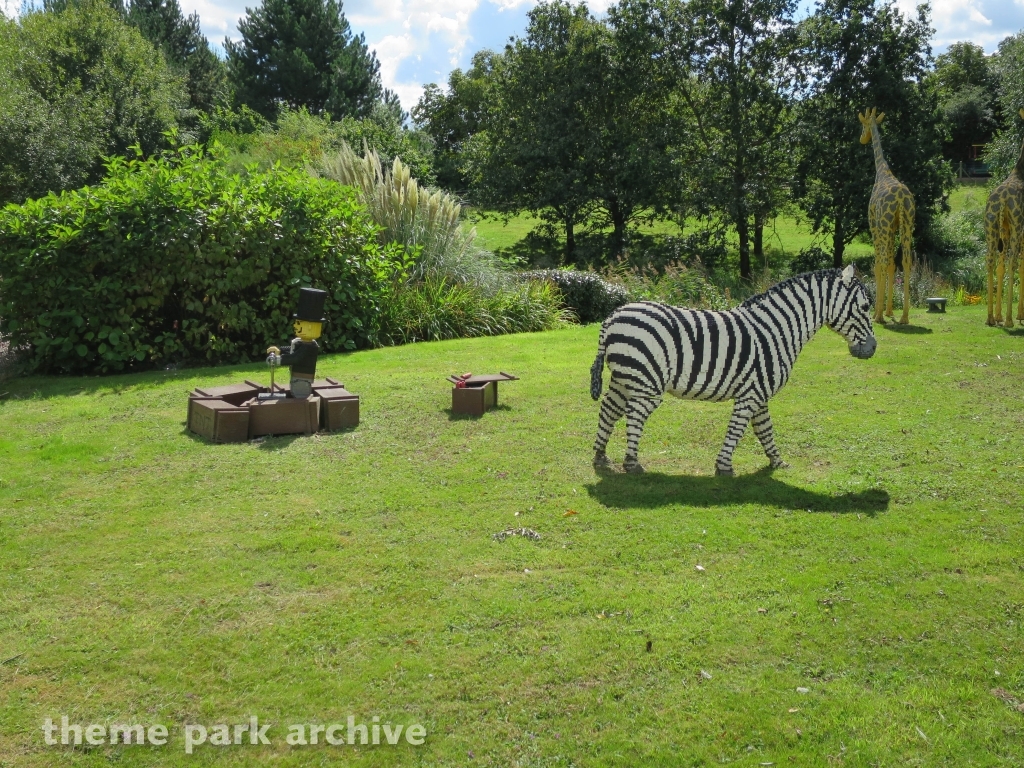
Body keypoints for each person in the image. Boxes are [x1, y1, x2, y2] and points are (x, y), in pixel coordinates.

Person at [266, 287, 327, 399]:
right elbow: (292, 350)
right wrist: (279, 350)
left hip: (302, 377)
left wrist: (278, 360)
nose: (295, 326)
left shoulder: (309, 347)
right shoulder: (302, 342)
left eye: (299, 324)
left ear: (310, 327)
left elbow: (296, 358)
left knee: (299, 392)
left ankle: (300, 403)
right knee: (295, 388)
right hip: (297, 376)